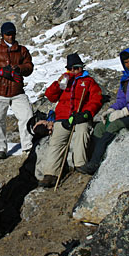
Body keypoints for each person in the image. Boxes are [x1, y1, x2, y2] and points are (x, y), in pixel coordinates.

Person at [78, 48, 129, 175]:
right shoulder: (127, 78)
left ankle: (95, 164)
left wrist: (124, 111)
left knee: (114, 125)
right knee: (100, 127)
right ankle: (92, 160)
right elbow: (122, 99)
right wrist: (112, 109)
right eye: (126, 62)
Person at [40, 53, 103, 188]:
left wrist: (87, 113)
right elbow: (50, 96)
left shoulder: (88, 81)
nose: (74, 71)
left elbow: (96, 98)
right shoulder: (65, 81)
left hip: (80, 115)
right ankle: (51, 173)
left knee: (82, 131)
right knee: (57, 142)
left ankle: (80, 163)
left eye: (77, 68)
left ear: (81, 67)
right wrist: (58, 83)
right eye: (71, 68)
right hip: (62, 117)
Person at [0, 22, 35, 159]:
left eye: (12, 34)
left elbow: (29, 66)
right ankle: (1, 148)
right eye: (7, 34)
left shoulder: (22, 50)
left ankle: (28, 146)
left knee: (27, 116)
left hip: (17, 91)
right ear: (2, 35)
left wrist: (19, 69)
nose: (10, 36)